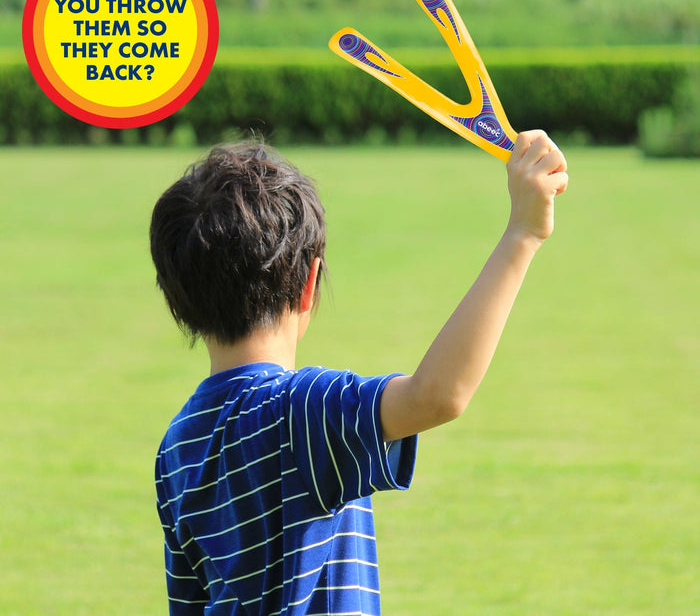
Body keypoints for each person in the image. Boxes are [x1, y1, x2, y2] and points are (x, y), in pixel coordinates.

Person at [150, 130, 568, 615]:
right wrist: (523, 234)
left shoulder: (177, 445)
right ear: (310, 284)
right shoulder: (300, 412)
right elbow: (438, 395)